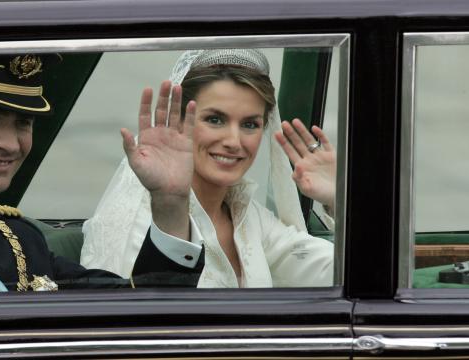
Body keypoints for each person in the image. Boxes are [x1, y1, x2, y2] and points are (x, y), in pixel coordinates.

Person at [0, 54, 202, 292]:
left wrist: (169, 201)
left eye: (23, 123)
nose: (11, 144)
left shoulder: (20, 239)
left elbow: (140, 311)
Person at [81, 49, 336, 288]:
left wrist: (339, 199)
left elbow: (336, 272)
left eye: (250, 124)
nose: (234, 142)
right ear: (178, 121)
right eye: (215, 120)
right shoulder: (140, 220)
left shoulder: (246, 215)